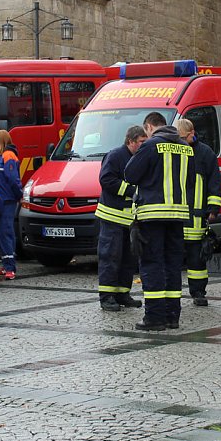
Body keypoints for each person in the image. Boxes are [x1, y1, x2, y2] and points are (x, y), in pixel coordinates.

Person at [124, 112, 195, 331]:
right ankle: (172, 316)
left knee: (152, 264)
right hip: (178, 215)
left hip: (152, 214)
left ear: (150, 129)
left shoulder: (151, 145)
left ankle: (154, 318)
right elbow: (191, 180)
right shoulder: (186, 148)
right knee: (172, 265)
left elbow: (130, 174)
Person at [95, 125, 147, 312]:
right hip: (112, 217)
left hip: (130, 219)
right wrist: (130, 190)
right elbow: (106, 179)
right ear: (130, 141)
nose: (144, 145)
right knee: (110, 257)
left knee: (128, 259)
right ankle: (107, 297)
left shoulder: (139, 157)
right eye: (141, 142)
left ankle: (123, 293)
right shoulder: (116, 155)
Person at [176, 119, 221, 307]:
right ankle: (172, 294)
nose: (181, 141)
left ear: (192, 133)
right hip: (177, 216)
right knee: (174, 259)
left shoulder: (205, 153)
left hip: (197, 216)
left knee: (197, 260)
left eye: (183, 137)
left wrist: (213, 209)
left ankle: (199, 292)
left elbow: (214, 182)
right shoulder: (176, 151)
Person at [0, 129, 23, 280]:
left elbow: (13, 179)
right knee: (1, 234)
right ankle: (6, 264)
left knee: (5, 233)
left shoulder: (8, 156)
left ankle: (10, 267)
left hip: (6, 201)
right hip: (1, 200)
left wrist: (19, 195)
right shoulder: (1, 156)